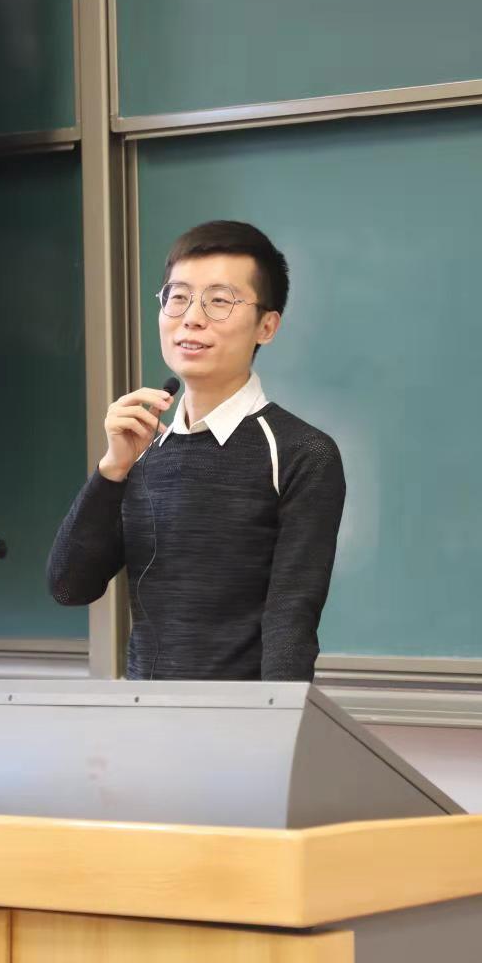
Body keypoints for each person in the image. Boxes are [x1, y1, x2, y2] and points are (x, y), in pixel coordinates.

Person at [47, 220, 345, 681]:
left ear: (267, 325)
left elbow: (291, 620)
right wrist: (112, 470)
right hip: (142, 717)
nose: (192, 318)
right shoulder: (141, 450)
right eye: (178, 297)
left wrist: (274, 721)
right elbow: (70, 587)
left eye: (219, 301)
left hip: (239, 719)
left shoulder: (300, 452)